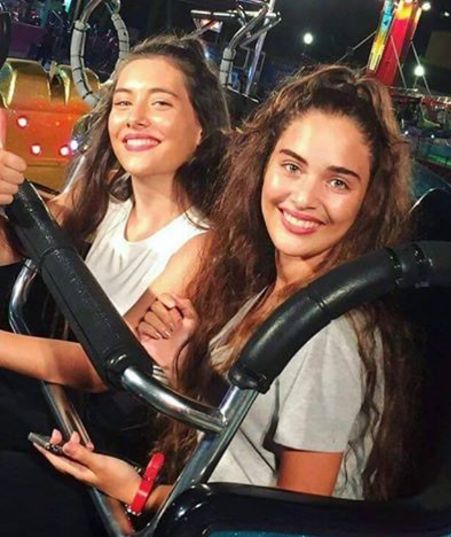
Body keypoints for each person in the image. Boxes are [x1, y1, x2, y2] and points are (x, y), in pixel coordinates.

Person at [0, 65, 417, 508]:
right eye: (292, 167)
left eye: (337, 182)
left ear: (368, 201)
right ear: (263, 167)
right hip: (172, 492)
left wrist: (137, 493)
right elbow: (233, 430)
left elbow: (286, 521)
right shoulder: (265, 287)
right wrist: (181, 364)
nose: (304, 198)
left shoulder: (323, 335)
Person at [0, 33, 229, 536]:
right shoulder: (102, 198)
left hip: (102, 447)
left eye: (160, 103)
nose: (135, 118)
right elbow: (9, 248)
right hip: (52, 406)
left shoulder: (200, 246)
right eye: (123, 103)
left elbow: (101, 367)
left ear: (201, 130)